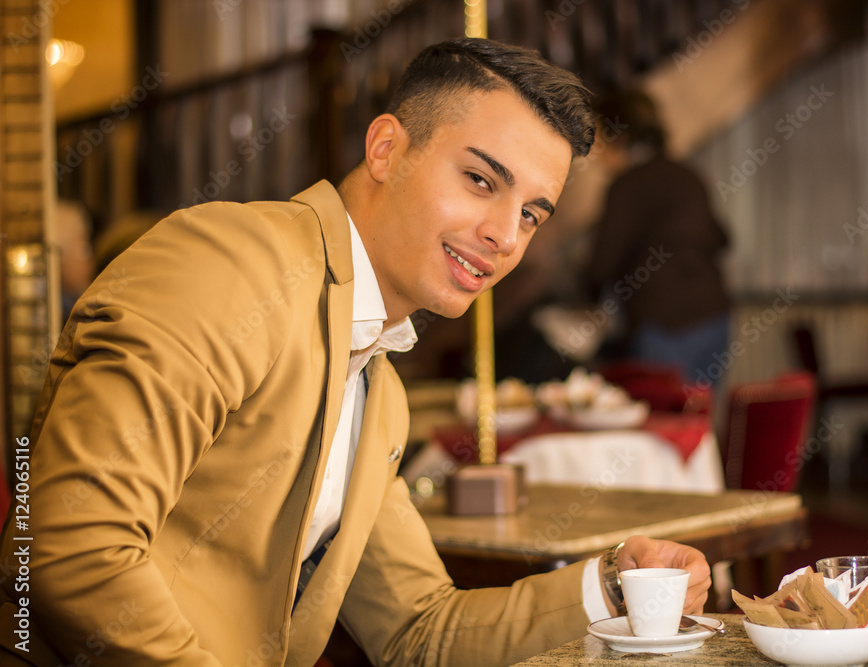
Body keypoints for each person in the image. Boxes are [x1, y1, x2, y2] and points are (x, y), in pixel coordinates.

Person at [0, 40, 711, 666]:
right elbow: (70, 548)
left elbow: (419, 631)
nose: (504, 234)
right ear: (386, 149)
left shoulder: (378, 386)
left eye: (530, 212)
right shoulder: (232, 264)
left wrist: (613, 579)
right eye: (480, 180)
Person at [584, 89, 731, 386]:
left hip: (665, 326)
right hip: (715, 318)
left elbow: (601, 266)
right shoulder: (687, 175)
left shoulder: (627, 186)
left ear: (619, 137)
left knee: (662, 426)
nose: (596, 151)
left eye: (599, 137)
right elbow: (722, 239)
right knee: (697, 420)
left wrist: (585, 295)